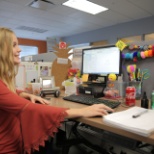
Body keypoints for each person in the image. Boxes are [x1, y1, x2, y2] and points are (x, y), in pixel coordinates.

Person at [0, 27, 113, 154]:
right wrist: (83, 111)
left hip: (15, 143)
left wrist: (25, 94)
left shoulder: (3, 79)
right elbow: (30, 109)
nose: (19, 49)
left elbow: (11, 92)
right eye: (14, 45)